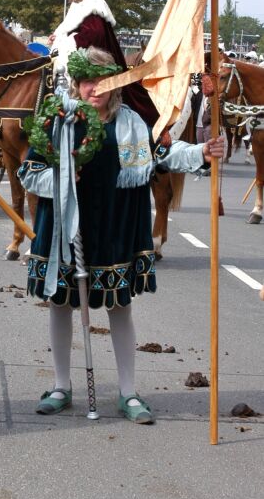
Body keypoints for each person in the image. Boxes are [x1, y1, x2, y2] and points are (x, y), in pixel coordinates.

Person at [18, 47, 225, 423]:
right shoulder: (59, 120)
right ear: (76, 84)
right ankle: (61, 386)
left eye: (100, 81)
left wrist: (202, 151)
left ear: (115, 83)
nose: (92, 88)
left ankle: (128, 392)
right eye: (85, 81)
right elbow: (29, 172)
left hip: (116, 225)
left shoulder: (131, 122)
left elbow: (162, 154)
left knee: (120, 306)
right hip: (65, 228)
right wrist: (60, 178)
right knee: (61, 303)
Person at [49, 0, 156, 126]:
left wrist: (66, 42)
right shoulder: (82, 4)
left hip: (95, 66)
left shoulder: (92, 3)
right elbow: (73, 29)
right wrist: (58, 37)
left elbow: (95, 33)